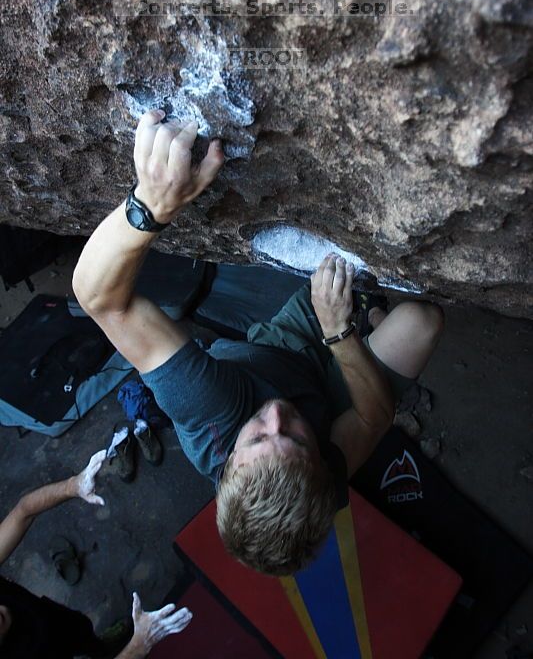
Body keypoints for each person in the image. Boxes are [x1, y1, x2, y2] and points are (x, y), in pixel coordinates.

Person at [73, 110, 444, 576]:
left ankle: (363, 313)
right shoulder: (318, 482)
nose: (275, 415)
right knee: (421, 322)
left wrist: (150, 204)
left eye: (259, 436)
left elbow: (102, 301)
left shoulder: (209, 407)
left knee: (361, 299)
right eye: (293, 437)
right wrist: (339, 334)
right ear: (319, 469)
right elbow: (374, 416)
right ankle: (367, 316)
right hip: (329, 386)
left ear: (228, 465)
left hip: (281, 348)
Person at [0, 450, 192, 658]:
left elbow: (23, 511)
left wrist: (73, 486)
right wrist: (140, 644)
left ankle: (98, 646)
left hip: (52, 623)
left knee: (81, 631)